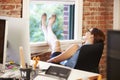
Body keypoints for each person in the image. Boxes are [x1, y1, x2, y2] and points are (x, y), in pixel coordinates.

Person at [41, 13, 105, 68]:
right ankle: (47, 28)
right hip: (73, 69)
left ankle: (46, 27)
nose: (86, 32)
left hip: (62, 67)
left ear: (92, 36)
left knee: (56, 43)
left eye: (88, 31)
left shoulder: (76, 47)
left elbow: (55, 60)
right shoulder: (92, 50)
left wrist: (46, 64)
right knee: (57, 46)